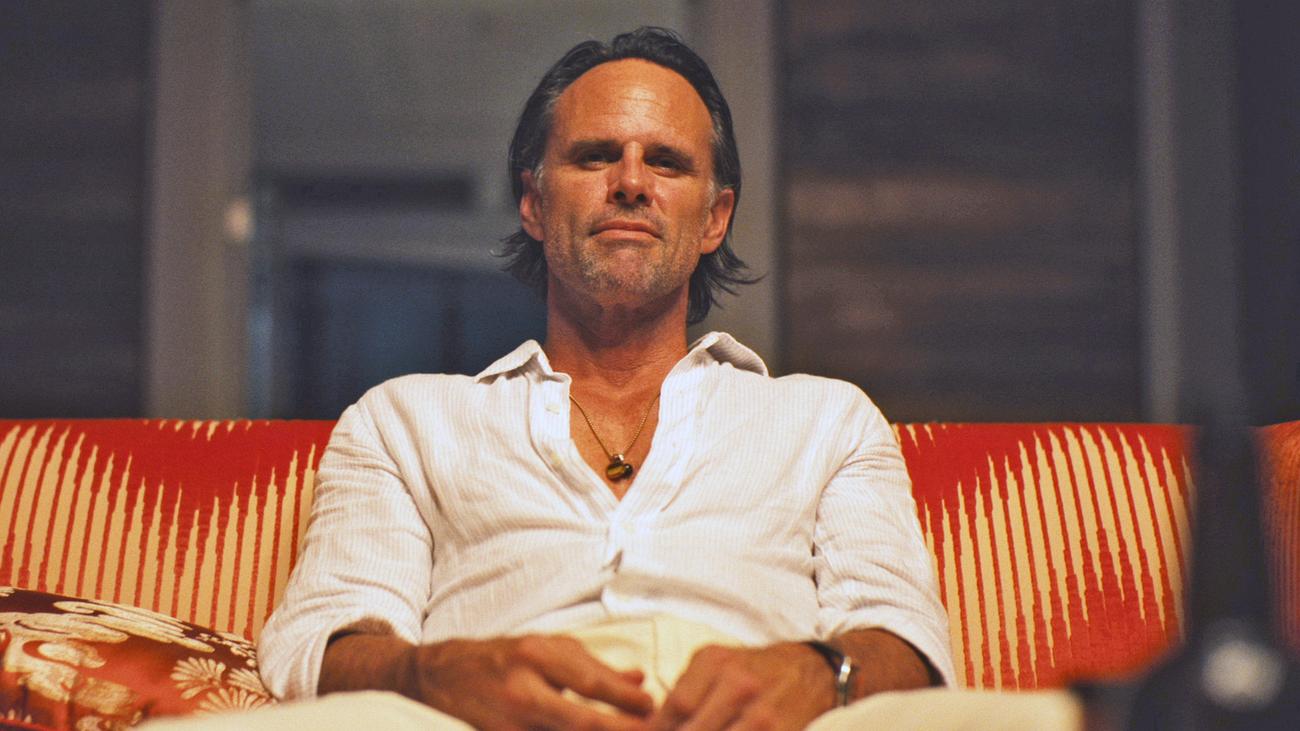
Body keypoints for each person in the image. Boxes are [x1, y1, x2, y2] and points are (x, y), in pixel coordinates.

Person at [145, 27, 1078, 731]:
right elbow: (319, 640)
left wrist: (813, 671)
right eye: (595, 156)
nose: (630, 181)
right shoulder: (404, 420)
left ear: (714, 218)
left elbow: (906, 642)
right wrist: (438, 673)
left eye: (666, 162)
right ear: (533, 200)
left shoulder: (827, 419)